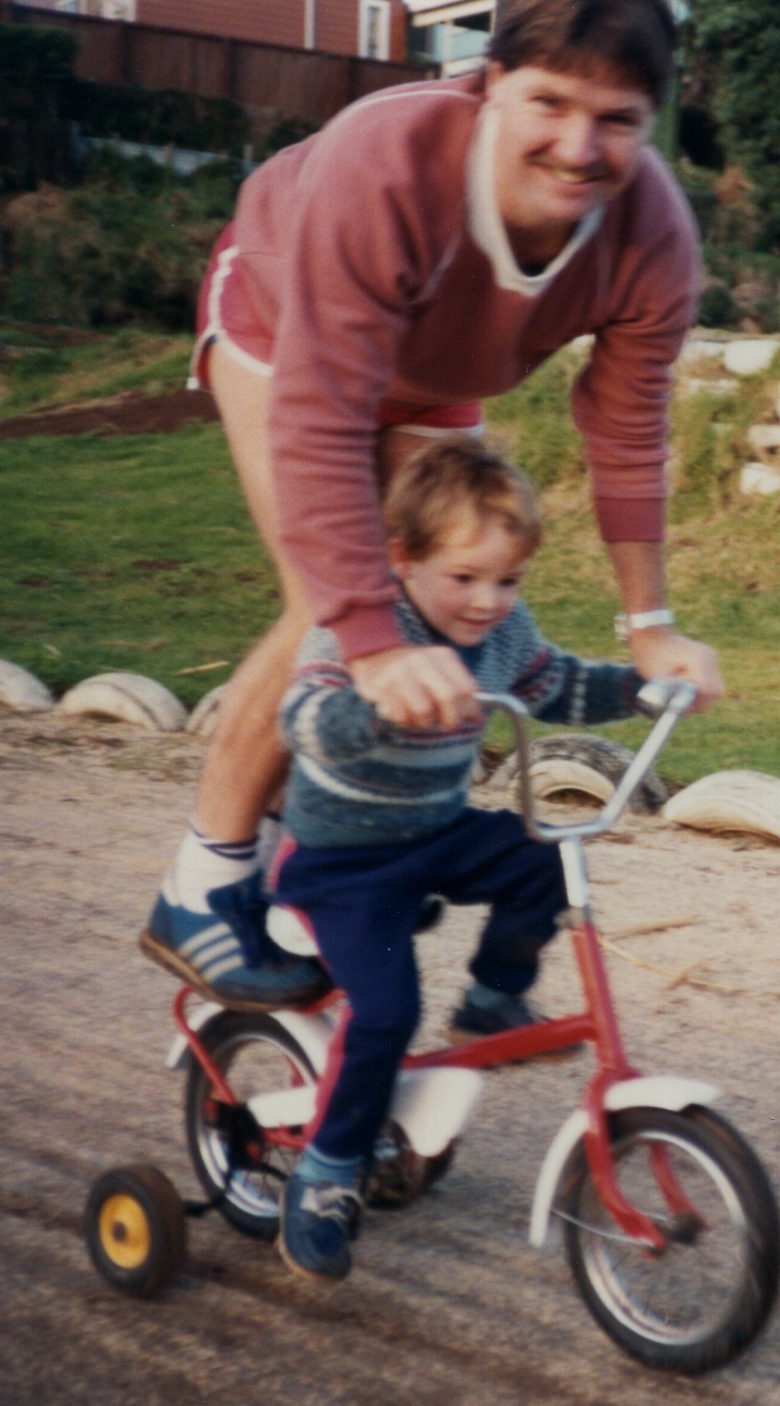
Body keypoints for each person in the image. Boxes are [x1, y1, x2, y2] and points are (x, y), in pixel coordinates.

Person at [139, 0, 721, 1010]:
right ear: (489, 83)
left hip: (436, 372)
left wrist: (651, 626)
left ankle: (309, 856)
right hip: (287, 328)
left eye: (618, 120)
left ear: (651, 121)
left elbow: (628, 430)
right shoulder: (388, 163)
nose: (579, 148)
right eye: (549, 103)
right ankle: (203, 883)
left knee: (439, 590)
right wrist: (367, 643)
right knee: (333, 603)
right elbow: (323, 417)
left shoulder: (653, 233)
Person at [269, 437, 643, 1282]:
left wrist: (641, 686)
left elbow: (558, 683)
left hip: (433, 834)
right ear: (402, 558)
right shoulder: (363, 631)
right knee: (386, 1012)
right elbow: (301, 718)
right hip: (345, 865)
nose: (488, 602)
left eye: (508, 580)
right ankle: (326, 1172)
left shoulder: (503, 634)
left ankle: (490, 1000)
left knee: (544, 856)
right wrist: (377, 700)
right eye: (465, 577)